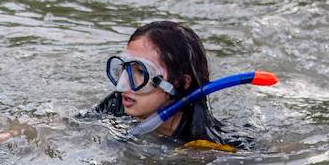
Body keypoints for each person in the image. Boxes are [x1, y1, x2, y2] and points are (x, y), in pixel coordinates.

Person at [90, 20, 236, 146]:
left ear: (180, 82)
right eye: (123, 68)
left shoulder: (206, 142)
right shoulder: (119, 103)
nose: (122, 86)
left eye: (141, 71)